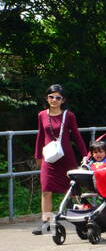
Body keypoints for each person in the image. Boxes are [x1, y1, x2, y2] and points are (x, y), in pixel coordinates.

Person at [33, 84, 88, 234]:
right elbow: (40, 136)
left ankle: (82, 219)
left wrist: (85, 155)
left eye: (58, 97)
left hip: (66, 158)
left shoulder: (68, 115)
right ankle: (47, 223)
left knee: (74, 191)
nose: (54, 100)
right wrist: (38, 155)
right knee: (46, 190)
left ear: (63, 100)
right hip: (49, 159)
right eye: (51, 97)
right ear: (47, 98)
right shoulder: (42, 115)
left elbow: (76, 136)